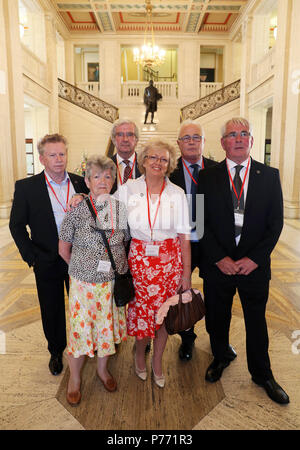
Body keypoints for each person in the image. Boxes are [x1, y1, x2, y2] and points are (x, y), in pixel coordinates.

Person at [198, 117, 289, 404]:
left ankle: (262, 374)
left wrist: (256, 258)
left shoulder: (270, 176)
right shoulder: (206, 176)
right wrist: (217, 258)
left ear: (251, 140)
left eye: (244, 134)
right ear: (223, 143)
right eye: (232, 134)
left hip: (254, 267)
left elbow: (275, 223)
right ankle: (221, 356)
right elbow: (199, 223)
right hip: (218, 266)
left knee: (256, 321)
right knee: (217, 317)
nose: (238, 138)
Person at [9, 134, 88, 376]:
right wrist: (32, 257)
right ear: (42, 158)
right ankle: (56, 351)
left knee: (83, 307)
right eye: (52, 155)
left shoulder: (81, 183)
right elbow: (16, 225)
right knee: (51, 309)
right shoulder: (26, 187)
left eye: (62, 154)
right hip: (47, 260)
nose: (58, 159)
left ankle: (86, 346)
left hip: (81, 258)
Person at [116, 139, 191, 388]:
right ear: (144, 161)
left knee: (163, 317)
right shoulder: (129, 189)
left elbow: (184, 237)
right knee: (141, 316)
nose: (158, 162)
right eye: (153, 157)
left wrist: (186, 275)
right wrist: (81, 196)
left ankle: (157, 361)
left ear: (169, 165)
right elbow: (106, 213)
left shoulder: (177, 193)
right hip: (139, 264)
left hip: (169, 265)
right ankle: (139, 353)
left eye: (163, 159)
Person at [58, 155, 130, 405]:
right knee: (80, 331)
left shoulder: (119, 208)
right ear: (87, 181)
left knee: (105, 329)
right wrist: (80, 270)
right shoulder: (77, 209)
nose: (103, 180)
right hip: (84, 285)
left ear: (113, 180)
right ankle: (75, 378)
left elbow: (124, 241)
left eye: (108, 176)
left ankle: (102, 370)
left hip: (111, 284)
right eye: (97, 176)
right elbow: (63, 248)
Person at [170, 119, 217, 361]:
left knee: (216, 294)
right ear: (178, 143)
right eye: (186, 138)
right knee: (183, 292)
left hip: (211, 245)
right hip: (180, 246)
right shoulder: (168, 171)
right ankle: (187, 340)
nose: (191, 142)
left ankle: (219, 343)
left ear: (203, 141)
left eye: (196, 137)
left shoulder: (217, 170)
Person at [110, 118, 141, 194]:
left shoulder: (146, 165)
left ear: (136, 139)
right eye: (120, 135)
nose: (125, 139)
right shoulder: (104, 166)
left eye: (130, 135)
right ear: (114, 139)